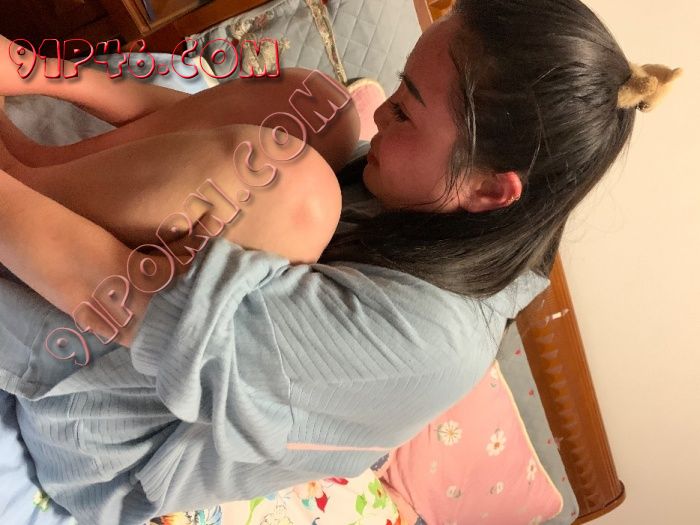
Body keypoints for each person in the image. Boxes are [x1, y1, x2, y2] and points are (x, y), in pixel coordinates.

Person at [0, 1, 681, 524]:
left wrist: (207, 254)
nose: (382, 112)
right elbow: (206, 144)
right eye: (400, 90)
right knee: (322, 109)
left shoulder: (431, 344)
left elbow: (123, 301)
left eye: (408, 111)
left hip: (106, 430)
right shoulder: (440, 208)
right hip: (171, 314)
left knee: (297, 192)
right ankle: (37, 168)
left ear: (488, 191)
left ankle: (22, 180)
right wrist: (37, 73)